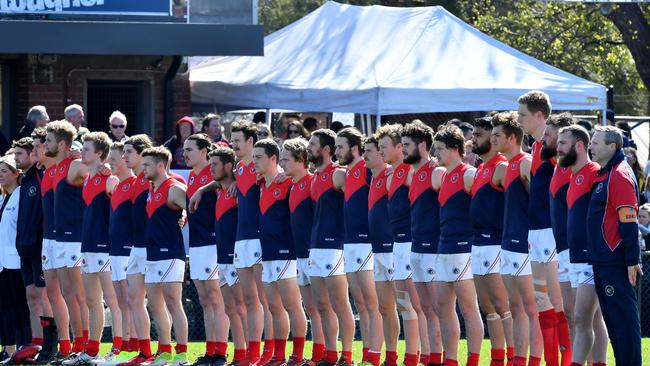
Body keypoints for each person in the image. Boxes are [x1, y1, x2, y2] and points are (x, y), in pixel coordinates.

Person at [192, 121, 274, 365]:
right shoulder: (239, 170)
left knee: (262, 300)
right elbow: (221, 180)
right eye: (232, 139)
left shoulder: (260, 167)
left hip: (258, 239)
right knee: (242, 303)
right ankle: (243, 354)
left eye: (238, 140)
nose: (233, 144)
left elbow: (278, 173)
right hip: (239, 243)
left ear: (250, 141)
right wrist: (202, 190)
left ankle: (266, 353)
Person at [63, 132, 123, 365]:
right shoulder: (88, 176)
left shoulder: (109, 178)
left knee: (114, 300)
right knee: (92, 300)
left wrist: (108, 169)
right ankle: (91, 351)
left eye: (86, 148)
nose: (82, 151)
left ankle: (118, 350)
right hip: (87, 245)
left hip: (105, 246)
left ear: (99, 152)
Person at [517, 91, 568, 366]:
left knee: (560, 305)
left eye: (523, 115)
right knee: (541, 302)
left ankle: (568, 360)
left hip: (551, 230)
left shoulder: (553, 146)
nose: (518, 119)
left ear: (540, 116)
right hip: (535, 232)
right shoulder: (536, 147)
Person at [586, 125, 642, 365]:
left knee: (623, 321)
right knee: (613, 320)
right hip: (602, 260)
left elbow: (629, 221)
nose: (591, 146)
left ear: (612, 146)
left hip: (615, 261)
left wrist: (631, 260)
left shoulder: (619, 174)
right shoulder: (604, 173)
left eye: (596, 142)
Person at [490, 112, 542, 366]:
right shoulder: (507, 165)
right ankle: (519, 360)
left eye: (497, 135)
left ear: (512, 137)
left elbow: (539, 203)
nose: (493, 140)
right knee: (516, 307)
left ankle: (534, 360)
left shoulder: (525, 162)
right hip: (507, 243)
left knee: (533, 309)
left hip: (524, 244)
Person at [430, 125, 483, 366]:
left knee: (469, 307)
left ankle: (472, 360)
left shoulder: (468, 174)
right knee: (443, 305)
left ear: (454, 149)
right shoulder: (443, 175)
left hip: (463, 248)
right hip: (444, 245)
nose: (436, 154)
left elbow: (481, 211)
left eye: (440, 149)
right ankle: (450, 360)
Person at [555, 125, 608, 366]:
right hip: (575, 256)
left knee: (581, 317)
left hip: (590, 257)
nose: (558, 148)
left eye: (562, 143)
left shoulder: (593, 172)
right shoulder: (573, 175)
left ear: (578, 145)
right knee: (592, 319)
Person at [253, 139, 308, 366]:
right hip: (268, 252)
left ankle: (298, 354)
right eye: (253, 157)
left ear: (273, 159)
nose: (254, 161)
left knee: (292, 304)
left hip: (286, 251)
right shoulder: (262, 184)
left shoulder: (286, 182)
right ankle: (278, 354)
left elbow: (304, 177)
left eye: (258, 157)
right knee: (274, 307)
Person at [306, 129, 355, 366]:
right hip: (315, 246)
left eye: (313, 144)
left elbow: (354, 205)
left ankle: (347, 355)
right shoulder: (315, 176)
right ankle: (331, 353)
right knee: (321, 304)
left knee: (340, 303)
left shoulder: (338, 174)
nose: (309, 147)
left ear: (326, 149)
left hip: (335, 245)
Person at [334, 127, 382, 366]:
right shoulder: (345, 172)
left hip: (366, 243)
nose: (337, 151)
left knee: (373, 304)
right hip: (350, 243)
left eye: (340, 146)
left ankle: (375, 355)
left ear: (355, 148)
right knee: (360, 304)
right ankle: (365, 354)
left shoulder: (366, 170)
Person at [375, 124, 422, 366]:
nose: (381, 151)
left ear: (398, 148)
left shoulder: (410, 170)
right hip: (397, 243)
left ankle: (414, 357)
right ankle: (397, 356)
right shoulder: (390, 173)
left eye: (385, 147)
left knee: (411, 304)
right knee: (398, 303)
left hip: (411, 242)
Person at [469, 117, 514, 365]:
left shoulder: (502, 166)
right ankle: (497, 358)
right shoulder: (480, 167)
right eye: (474, 134)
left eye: (481, 134)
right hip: (478, 244)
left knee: (503, 306)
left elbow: (515, 204)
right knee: (488, 308)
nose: (475, 138)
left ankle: (513, 357)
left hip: (496, 243)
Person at [183, 134, 229, 366]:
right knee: (204, 299)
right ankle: (211, 351)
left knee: (215, 297)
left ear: (204, 152)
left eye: (190, 149)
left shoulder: (215, 173)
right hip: (197, 243)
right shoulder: (191, 176)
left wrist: (202, 189)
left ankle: (220, 352)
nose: (185, 153)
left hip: (213, 242)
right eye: (184, 149)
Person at [45, 121, 89, 360]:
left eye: (50, 141)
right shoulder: (57, 168)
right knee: (68, 293)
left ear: (62, 144)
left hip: (75, 238)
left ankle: (84, 345)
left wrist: (96, 167)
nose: (45, 145)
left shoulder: (74, 164)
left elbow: (96, 174)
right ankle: (76, 344)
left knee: (79, 295)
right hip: (61, 238)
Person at [141, 146, 189, 366]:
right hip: (152, 253)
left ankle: (181, 353)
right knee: (154, 304)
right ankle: (165, 351)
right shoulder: (152, 187)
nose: (144, 169)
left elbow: (193, 206)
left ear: (161, 165)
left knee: (173, 303)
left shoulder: (173, 188)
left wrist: (185, 214)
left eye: (147, 164)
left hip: (170, 252)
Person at [280, 138, 326, 365]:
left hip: (315, 252)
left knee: (322, 306)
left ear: (301, 160)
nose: (282, 164)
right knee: (310, 307)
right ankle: (315, 353)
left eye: (286, 160)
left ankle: (324, 353)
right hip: (300, 254)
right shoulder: (293, 184)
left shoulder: (310, 181)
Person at [401, 121, 441, 366]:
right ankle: (429, 357)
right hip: (416, 245)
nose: (403, 149)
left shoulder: (436, 170)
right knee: (424, 308)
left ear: (423, 146)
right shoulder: (412, 172)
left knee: (437, 308)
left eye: (407, 145)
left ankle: (439, 357)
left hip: (434, 247)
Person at [12, 137, 55, 362]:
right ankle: (35, 344)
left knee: (44, 295)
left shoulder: (41, 175)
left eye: (21, 153)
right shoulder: (25, 179)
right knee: (31, 295)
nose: (16, 157)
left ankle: (51, 343)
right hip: (25, 246)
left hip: (40, 245)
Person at [32, 127, 71, 364]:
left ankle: (72, 345)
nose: (40, 148)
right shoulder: (45, 172)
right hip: (48, 238)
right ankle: (59, 345)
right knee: (52, 293)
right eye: (39, 144)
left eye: (43, 143)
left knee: (71, 294)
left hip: (66, 239)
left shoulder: (70, 164)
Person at [118, 134, 156, 366]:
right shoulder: (134, 181)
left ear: (142, 154)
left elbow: (177, 190)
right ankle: (144, 352)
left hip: (154, 248)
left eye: (129, 152)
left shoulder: (153, 177)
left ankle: (169, 350)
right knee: (133, 299)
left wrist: (182, 215)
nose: (124, 156)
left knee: (162, 302)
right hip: (136, 247)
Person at [209, 146, 248, 366]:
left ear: (228, 166)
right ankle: (239, 353)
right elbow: (213, 183)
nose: (211, 168)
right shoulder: (220, 190)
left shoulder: (237, 192)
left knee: (241, 306)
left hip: (236, 255)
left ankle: (247, 355)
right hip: (221, 256)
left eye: (215, 164)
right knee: (230, 308)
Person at [363, 136, 400, 366]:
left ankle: (411, 356)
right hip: (377, 250)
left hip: (394, 249)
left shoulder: (390, 174)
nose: (365, 155)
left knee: (407, 307)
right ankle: (387, 357)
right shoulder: (374, 178)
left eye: (370, 151)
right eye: (364, 151)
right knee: (384, 307)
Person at [544, 113, 577, 357]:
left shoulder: (577, 169)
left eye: (550, 135)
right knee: (569, 312)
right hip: (562, 248)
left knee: (587, 316)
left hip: (578, 251)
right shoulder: (559, 166)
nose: (545, 139)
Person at [106, 142, 140, 364]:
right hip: (114, 249)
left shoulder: (135, 183)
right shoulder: (116, 185)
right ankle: (123, 345)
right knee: (120, 301)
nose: (111, 163)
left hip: (129, 249)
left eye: (114, 159)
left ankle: (134, 345)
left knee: (131, 300)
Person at [0, 154, 32, 361]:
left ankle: (23, 346)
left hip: (16, 260)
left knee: (19, 304)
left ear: (15, 173)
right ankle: (8, 348)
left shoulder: (21, 195)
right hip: (2, 261)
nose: (0, 175)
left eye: (4, 171)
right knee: (4, 306)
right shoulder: (2, 197)